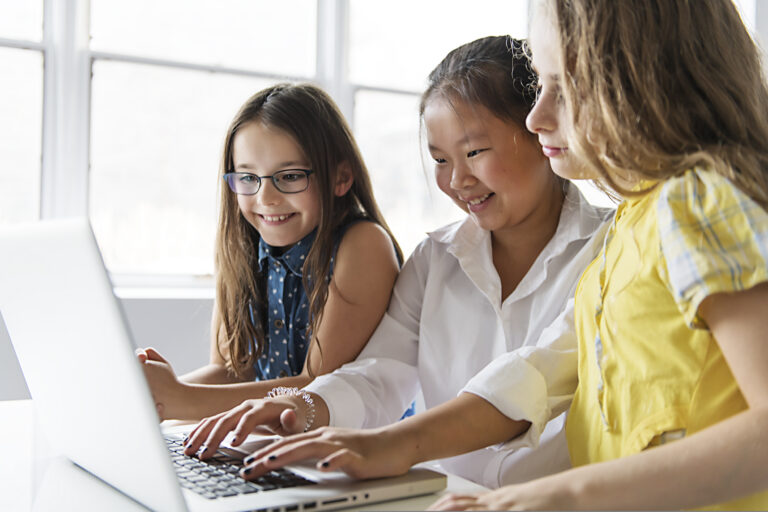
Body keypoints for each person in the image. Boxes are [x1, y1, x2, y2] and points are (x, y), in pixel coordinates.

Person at [182, 35, 614, 488]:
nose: (457, 180)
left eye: (474, 153)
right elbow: (379, 373)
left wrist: (389, 444)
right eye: (440, 159)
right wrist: (305, 405)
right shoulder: (435, 259)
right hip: (441, 499)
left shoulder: (608, 247)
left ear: (542, 129)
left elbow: (537, 376)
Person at [399, 0, 767, 509]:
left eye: (564, 89)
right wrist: (384, 445)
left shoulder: (699, 204)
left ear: (645, 83)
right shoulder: (636, 217)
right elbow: (545, 367)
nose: (536, 116)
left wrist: (557, 497)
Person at [135, 83, 403, 422]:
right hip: (266, 443)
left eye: (289, 176)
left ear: (341, 177)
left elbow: (316, 387)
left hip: (352, 451)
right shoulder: (245, 248)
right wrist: (150, 399)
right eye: (248, 177)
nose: (266, 198)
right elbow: (230, 373)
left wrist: (177, 398)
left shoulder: (363, 244)